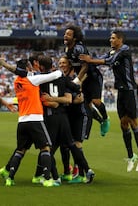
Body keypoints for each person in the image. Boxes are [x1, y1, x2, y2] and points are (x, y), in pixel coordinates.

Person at [79, 30, 138, 172]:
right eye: (110, 37)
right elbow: (100, 61)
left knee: (133, 122)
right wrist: (86, 62)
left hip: (130, 90)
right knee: (123, 123)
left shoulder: (124, 50)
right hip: (121, 91)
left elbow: (108, 61)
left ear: (120, 40)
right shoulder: (112, 52)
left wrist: (90, 60)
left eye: (113, 38)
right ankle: (131, 156)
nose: (110, 40)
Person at [0, 55, 62, 187]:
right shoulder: (33, 80)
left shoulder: (17, 81)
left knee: (20, 150)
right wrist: (55, 70)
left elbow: (20, 72)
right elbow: (56, 75)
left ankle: (10, 178)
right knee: (46, 148)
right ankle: (47, 179)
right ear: (26, 68)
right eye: (29, 66)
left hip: (22, 121)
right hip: (35, 119)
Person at [36, 55, 95, 184]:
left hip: (50, 117)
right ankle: (87, 170)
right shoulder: (61, 77)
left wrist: (52, 100)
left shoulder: (39, 80)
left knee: (48, 149)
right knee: (71, 145)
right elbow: (75, 88)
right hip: (63, 117)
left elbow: (44, 100)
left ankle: (54, 177)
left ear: (40, 67)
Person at [63, 24, 110, 136]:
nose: (65, 36)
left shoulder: (79, 48)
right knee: (86, 105)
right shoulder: (67, 49)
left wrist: (77, 80)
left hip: (93, 76)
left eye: (68, 35)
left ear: (74, 38)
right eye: (65, 34)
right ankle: (101, 121)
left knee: (96, 101)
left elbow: (85, 66)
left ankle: (106, 118)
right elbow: (74, 66)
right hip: (83, 78)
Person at [58, 55, 89, 180]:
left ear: (70, 65)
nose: (61, 65)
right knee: (64, 144)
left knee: (76, 144)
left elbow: (79, 99)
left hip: (79, 116)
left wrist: (64, 100)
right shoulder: (61, 78)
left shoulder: (73, 79)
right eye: (60, 63)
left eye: (64, 63)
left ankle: (81, 174)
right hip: (68, 116)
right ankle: (67, 172)